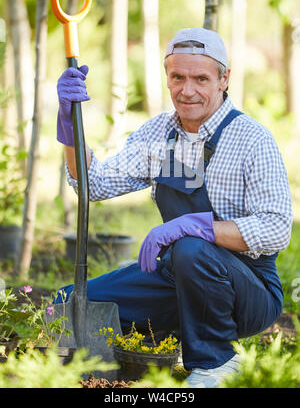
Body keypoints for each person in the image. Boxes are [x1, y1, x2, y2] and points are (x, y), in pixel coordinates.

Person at [55, 27, 293, 388]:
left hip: (249, 290)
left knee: (191, 248)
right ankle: (166, 343)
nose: (187, 90)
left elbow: (277, 228)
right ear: (167, 77)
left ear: (223, 80)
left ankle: (217, 362)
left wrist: (192, 227)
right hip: (178, 275)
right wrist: (70, 125)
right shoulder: (159, 134)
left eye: (201, 78)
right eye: (177, 77)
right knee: (70, 304)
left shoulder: (251, 139)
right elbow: (94, 184)